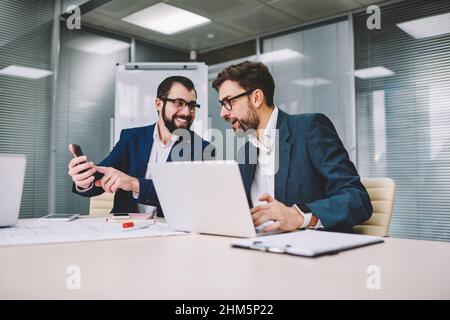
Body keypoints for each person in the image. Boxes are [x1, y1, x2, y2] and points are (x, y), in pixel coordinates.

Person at [212, 61, 372, 233]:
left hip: (307, 249)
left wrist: (299, 216)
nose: (223, 113)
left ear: (256, 98)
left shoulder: (309, 129)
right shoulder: (246, 152)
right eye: (222, 104)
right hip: (257, 247)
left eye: (229, 102)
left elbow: (357, 199)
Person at [68, 76, 214, 215]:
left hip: (171, 232)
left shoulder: (202, 149)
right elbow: (101, 178)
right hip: (124, 230)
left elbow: (185, 196)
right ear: (158, 104)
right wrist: (84, 180)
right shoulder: (130, 139)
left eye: (192, 106)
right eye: (178, 103)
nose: (187, 112)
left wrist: (134, 184)